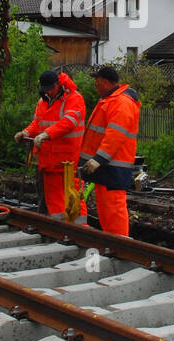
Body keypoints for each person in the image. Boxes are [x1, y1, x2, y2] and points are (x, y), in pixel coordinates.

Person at [15, 69, 87, 223]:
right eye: (45, 89)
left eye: (50, 89)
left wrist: (45, 135)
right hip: (47, 160)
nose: (48, 92)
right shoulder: (43, 101)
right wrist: (25, 132)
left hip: (67, 162)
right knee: (50, 198)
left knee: (70, 196)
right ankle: (54, 227)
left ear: (58, 85)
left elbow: (68, 122)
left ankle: (76, 228)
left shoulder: (75, 99)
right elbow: (37, 123)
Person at [79, 66, 140, 237]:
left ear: (105, 81)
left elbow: (116, 134)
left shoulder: (121, 102)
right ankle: (111, 242)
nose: (95, 84)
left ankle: (119, 244)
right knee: (106, 207)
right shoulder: (110, 100)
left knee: (113, 207)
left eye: (96, 81)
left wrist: (99, 158)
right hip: (107, 165)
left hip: (112, 165)